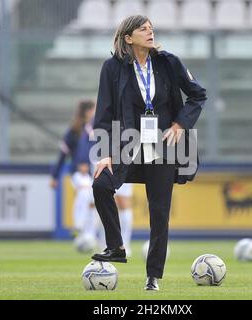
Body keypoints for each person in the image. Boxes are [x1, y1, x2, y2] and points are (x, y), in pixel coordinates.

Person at [90, 15, 207, 291]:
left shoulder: (168, 62)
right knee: (101, 184)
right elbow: (103, 113)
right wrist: (105, 153)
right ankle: (116, 246)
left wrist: (180, 123)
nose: (150, 32)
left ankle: (153, 277)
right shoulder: (112, 68)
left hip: (162, 144)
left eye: (151, 28)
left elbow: (198, 95)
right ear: (128, 38)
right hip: (127, 141)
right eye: (143, 29)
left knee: (159, 212)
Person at [51, 100, 96, 238]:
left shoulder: (95, 128)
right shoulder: (75, 130)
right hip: (78, 171)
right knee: (84, 190)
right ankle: (78, 225)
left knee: (93, 202)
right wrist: (55, 175)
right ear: (88, 111)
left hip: (94, 171)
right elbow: (63, 154)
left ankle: (90, 235)